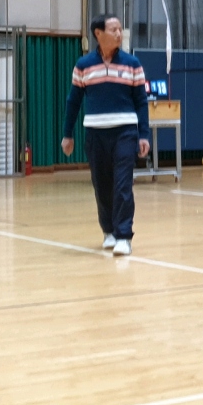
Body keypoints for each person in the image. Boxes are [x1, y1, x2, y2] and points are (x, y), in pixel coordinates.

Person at [62, 14, 151, 257]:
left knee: (123, 183)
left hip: (125, 131)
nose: (119, 34)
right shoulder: (83, 65)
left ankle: (124, 235)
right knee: (101, 185)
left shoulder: (133, 64)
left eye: (120, 29)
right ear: (98, 33)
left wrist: (144, 135)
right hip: (95, 132)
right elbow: (73, 101)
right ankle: (109, 231)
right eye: (113, 30)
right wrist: (67, 134)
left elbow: (141, 101)